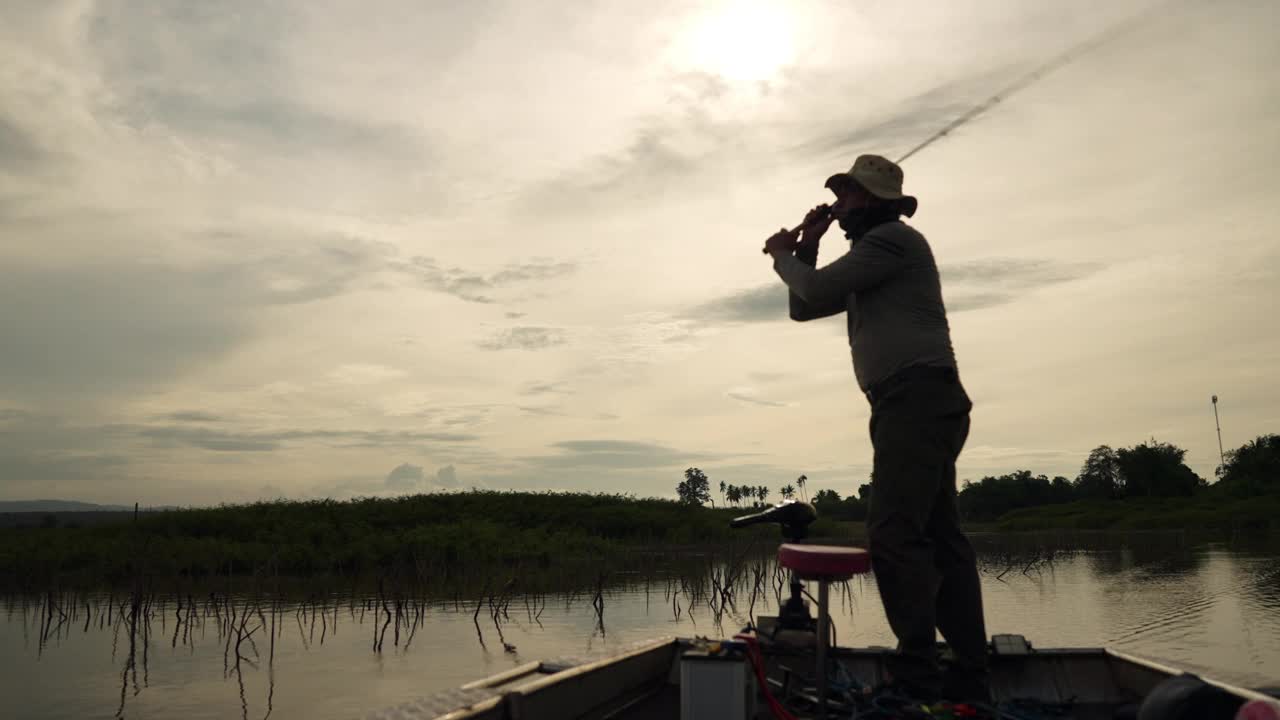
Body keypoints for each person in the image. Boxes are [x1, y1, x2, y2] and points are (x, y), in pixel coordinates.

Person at [762, 154, 989, 701]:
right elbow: (805, 308)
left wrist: (778, 253)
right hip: (910, 401)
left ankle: (917, 671)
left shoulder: (891, 242)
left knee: (893, 532)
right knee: (939, 536)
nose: (839, 203)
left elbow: (810, 291)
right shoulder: (870, 257)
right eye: (839, 192)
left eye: (849, 194)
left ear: (877, 202)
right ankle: (968, 670)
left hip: (916, 398)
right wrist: (807, 246)